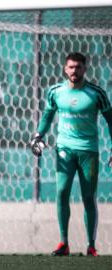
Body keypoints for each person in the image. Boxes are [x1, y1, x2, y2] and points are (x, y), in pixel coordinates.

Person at [30, 52, 112, 256]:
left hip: (89, 152)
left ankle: (91, 245)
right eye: (71, 67)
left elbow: (111, 120)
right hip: (64, 149)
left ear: (85, 68)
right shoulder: (55, 92)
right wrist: (39, 135)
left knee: (88, 197)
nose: (74, 71)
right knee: (61, 192)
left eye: (78, 67)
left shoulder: (97, 93)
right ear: (65, 69)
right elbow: (47, 116)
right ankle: (64, 243)